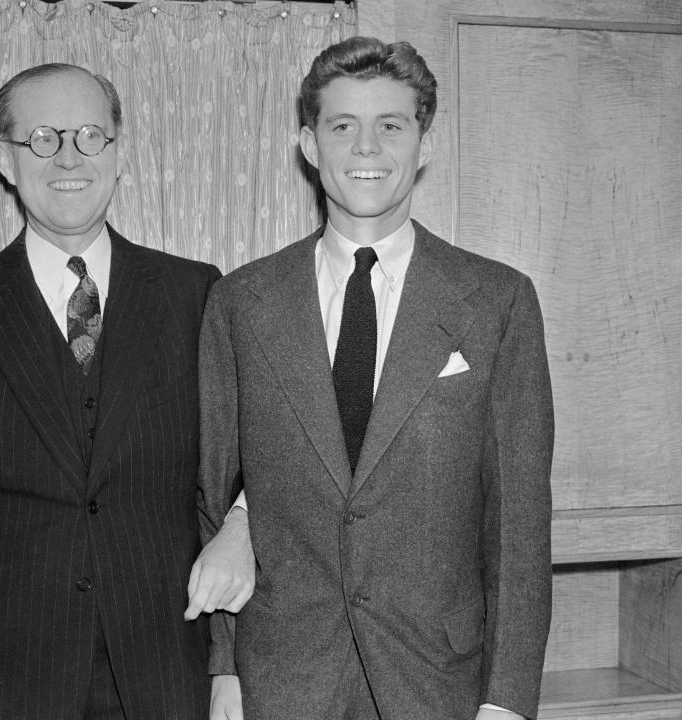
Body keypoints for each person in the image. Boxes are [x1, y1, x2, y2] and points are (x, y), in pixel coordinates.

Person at [0, 62, 249, 720]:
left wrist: (231, 665)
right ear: (4, 159)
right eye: (43, 138)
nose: (70, 157)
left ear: (118, 152)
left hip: (168, 661)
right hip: (4, 672)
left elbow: (234, 485)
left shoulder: (196, 294)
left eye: (90, 136)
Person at [197, 37, 554, 720]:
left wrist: (507, 703)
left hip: (439, 681)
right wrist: (223, 672)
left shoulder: (496, 300)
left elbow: (518, 526)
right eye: (342, 126)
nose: (367, 148)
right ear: (309, 144)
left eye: (391, 126)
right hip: (281, 678)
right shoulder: (242, 302)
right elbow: (215, 496)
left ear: (423, 146)